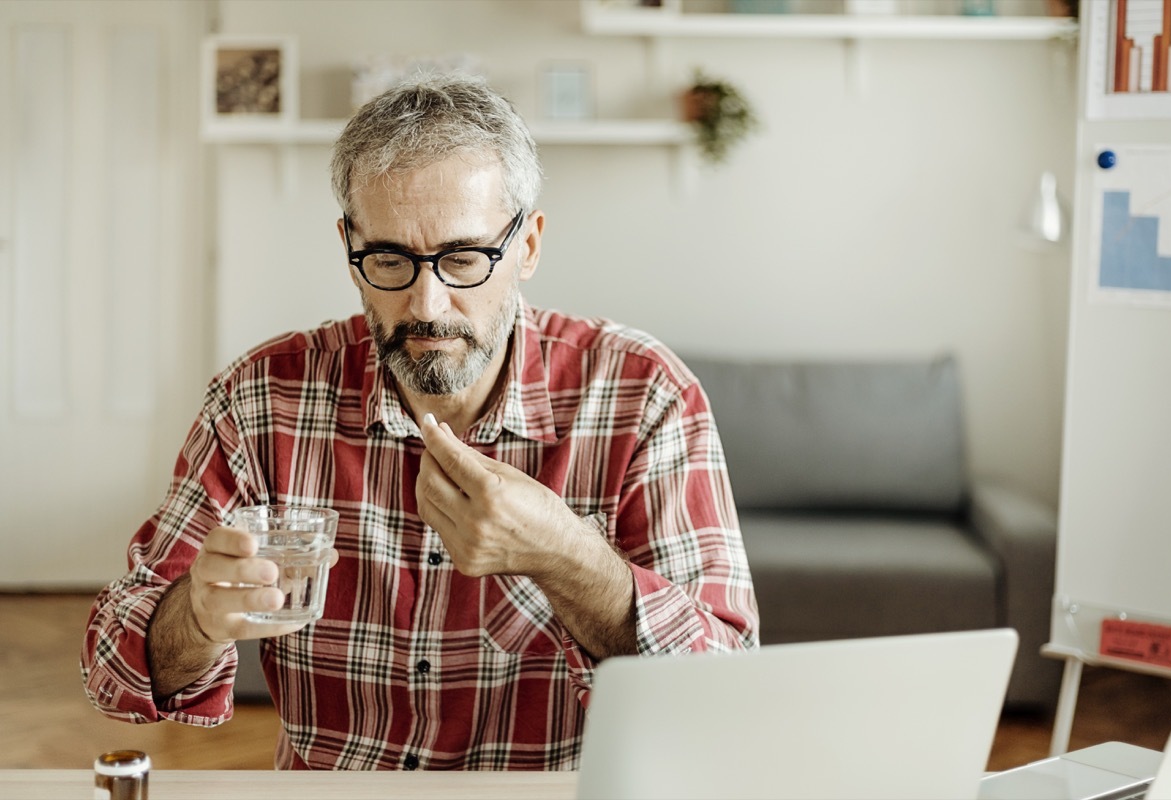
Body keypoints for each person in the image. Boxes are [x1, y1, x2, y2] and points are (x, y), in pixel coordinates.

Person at [81, 73, 758, 771]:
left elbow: (728, 694)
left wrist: (567, 556)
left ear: (527, 247)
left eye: (464, 259)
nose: (427, 304)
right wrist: (194, 615)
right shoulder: (261, 399)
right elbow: (112, 667)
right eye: (390, 260)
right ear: (350, 248)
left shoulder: (644, 394)